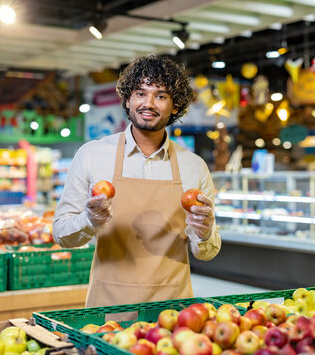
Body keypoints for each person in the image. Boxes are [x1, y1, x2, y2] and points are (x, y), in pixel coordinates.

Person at [52, 55, 221, 307]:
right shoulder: (92, 155)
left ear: (175, 106)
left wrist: (205, 231)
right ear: (128, 99)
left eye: (161, 96)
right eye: (140, 93)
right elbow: (61, 234)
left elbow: (207, 253)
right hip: (108, 306)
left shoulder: (194, 166)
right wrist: (89, 220)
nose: (148, 103)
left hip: (174, 309)